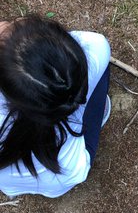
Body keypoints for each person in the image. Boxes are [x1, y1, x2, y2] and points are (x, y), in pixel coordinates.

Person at [0, 16, 111, 198]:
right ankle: (95, 111)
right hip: (64, 176)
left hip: (11, 185)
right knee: (100, 75)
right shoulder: (95, 47)